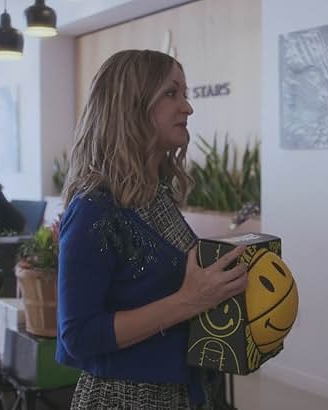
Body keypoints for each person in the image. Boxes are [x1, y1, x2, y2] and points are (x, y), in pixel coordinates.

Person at [57, 49, 248, 409]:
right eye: (171, 93)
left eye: (185, 93)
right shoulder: (93, 209)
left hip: (180, 392)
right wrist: (188, 301)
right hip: (124, 399)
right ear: (132, 105)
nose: (187, 107)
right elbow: (78, 335)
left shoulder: (154, 196)